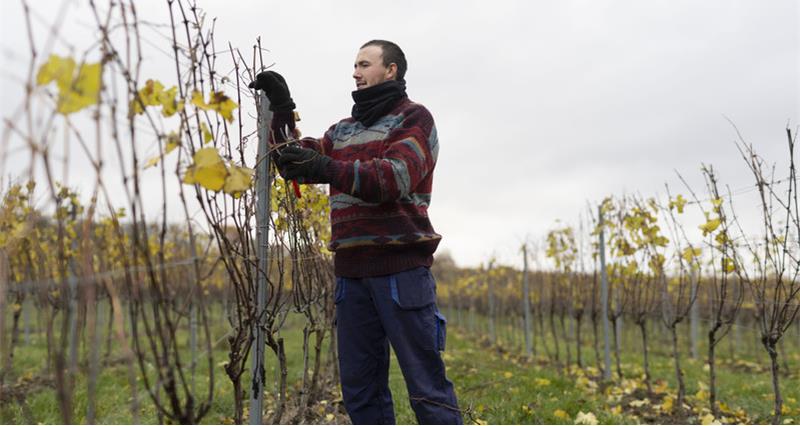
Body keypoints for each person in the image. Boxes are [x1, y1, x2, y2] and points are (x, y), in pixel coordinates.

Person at [249, 40, 462, 425]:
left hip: (401, 272)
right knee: (361, 392)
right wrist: (281, 110)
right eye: (355, 65)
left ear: (391, 70)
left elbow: (393, 178)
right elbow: (292, 160)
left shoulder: (414, 120)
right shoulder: (342, 132)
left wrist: (326, 168)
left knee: (427, 388)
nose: (355, 72)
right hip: (351, 277)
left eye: (364, 64)